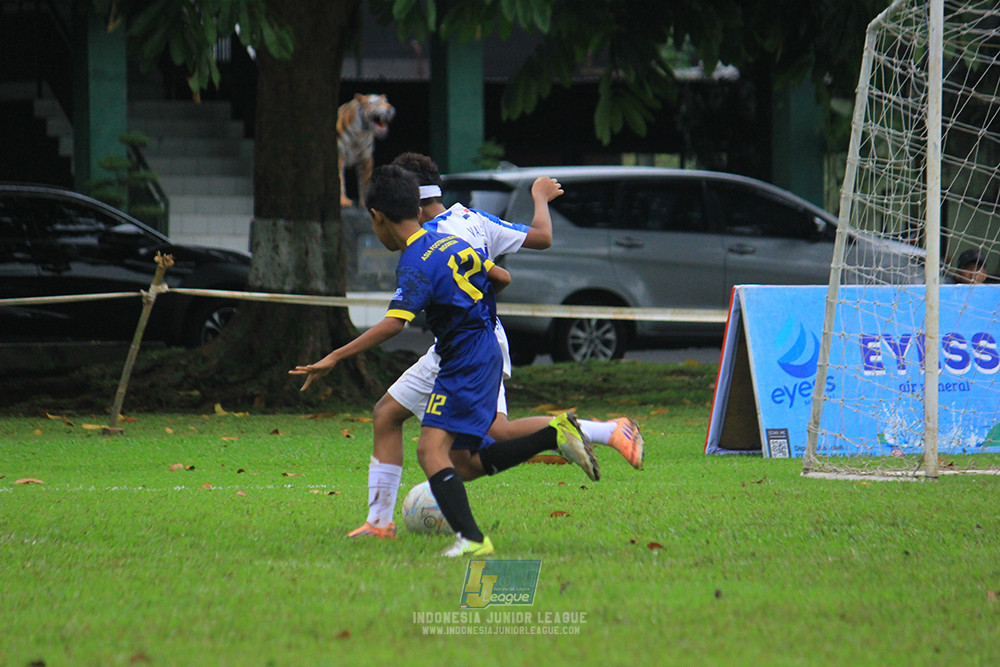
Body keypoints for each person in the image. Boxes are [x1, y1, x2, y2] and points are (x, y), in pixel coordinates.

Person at [289, 165, 596, 557]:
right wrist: (469, 307)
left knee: (429, 452)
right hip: (483, 346)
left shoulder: (416, 260)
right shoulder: (449, 241)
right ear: (416, 210)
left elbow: (393, 325)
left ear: (377, 218)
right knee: (463, 459)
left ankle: (472, 539)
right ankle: (552, 435)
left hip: (463, 357)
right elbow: (499, 276)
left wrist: (333, 356)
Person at [348, 152, 644, 540]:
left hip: (465, 343)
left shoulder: (431, 239)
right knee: (397, 418)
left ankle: (602, 431)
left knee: (478, 440)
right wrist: (539, 197)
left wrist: (338, 354)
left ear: (410, 200)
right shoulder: (473, 217)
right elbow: (540, 240)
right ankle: (380, 522)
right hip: (479, 334)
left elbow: (399, 319)